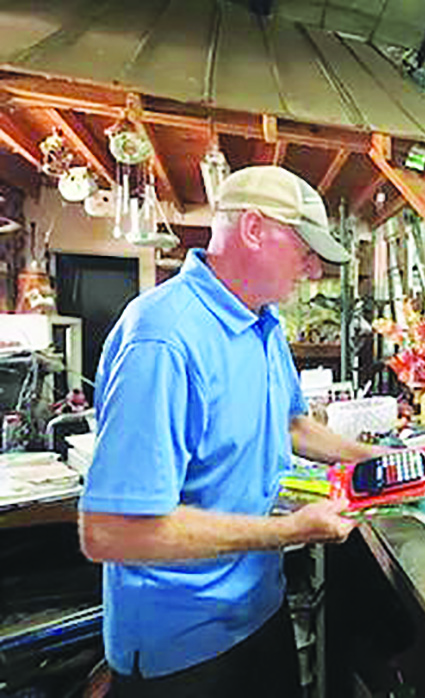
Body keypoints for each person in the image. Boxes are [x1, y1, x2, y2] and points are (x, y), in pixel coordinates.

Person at [79, 166, 379, 697]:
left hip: (258, 607)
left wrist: (376, 461)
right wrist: (289, 532)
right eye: (305, 249)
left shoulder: (263, 321)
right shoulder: (164, 338)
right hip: (184, 647)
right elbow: (111, 532)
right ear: (254, 228)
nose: (313, 271)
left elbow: (291, 424)